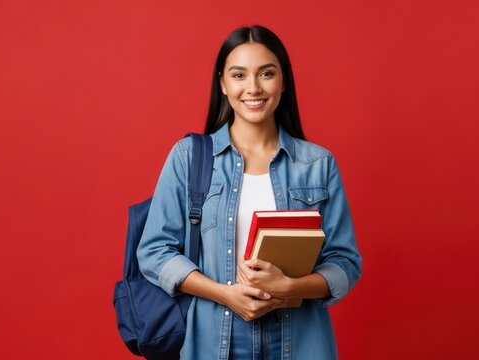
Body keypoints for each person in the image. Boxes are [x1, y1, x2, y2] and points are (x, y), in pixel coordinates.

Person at [137, 25, 362, 359]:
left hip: (298, 341)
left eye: (266, 73)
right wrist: (226, 294)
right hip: (214, 340)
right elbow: (154, 251)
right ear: (223, 84)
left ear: (283, 81)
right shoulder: (189, 158)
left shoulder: (317, 164)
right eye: (239, 75)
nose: (253, 87)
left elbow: (345, 262)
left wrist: (291, 288)